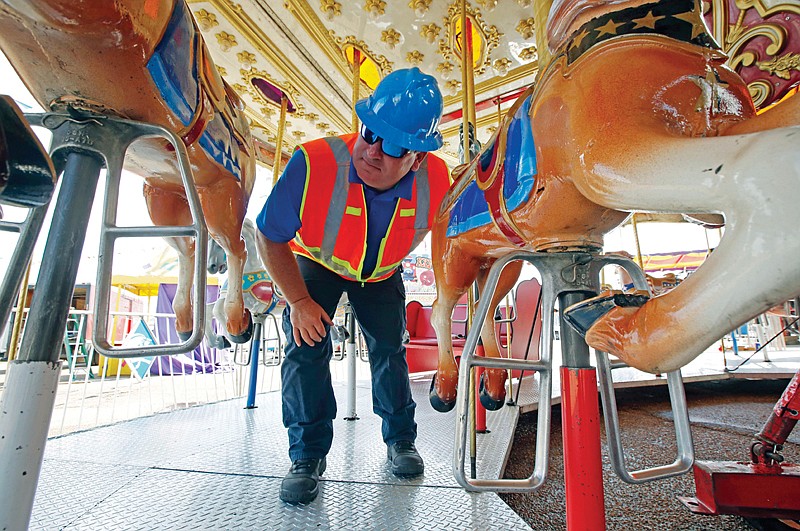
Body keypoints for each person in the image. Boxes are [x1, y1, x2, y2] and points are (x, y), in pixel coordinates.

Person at [255, 67, 451, 505]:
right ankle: (306, 456)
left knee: (388, 350)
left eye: (395, 145)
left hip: (381, 274)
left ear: (417, 157)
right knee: (305, 348)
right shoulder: (313, 162)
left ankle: (401, 440)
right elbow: (269, 234)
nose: (374, 151)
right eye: (370, 132)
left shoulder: (439, 182)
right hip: (316, 265)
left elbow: (458, 242)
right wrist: (298, 301)